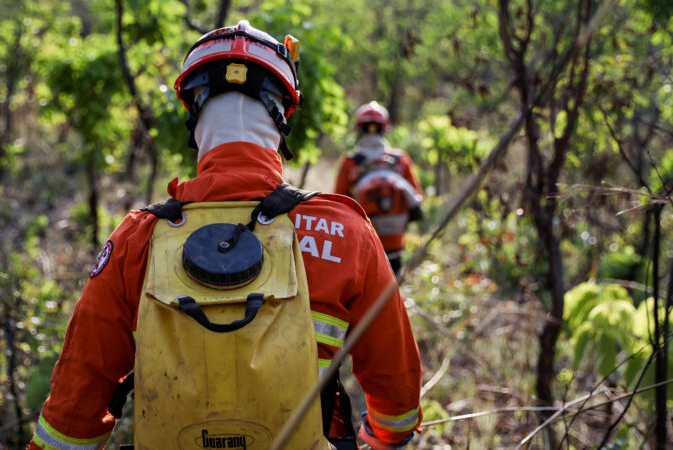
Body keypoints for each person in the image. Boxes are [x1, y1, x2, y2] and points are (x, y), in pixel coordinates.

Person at [28, 21, 421, 450]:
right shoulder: (343, 230)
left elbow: (71, 417)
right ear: (283, 115)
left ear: (193, 111)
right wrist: (379, 438)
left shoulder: (136, 240)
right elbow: (397, 403)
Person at [334, 102, 424, 274]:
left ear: (359, 129)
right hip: (395, 245)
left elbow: (339, 204)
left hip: (363, 244)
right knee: (392, 292)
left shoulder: (350, 163)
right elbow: (417, 197)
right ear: (385, 128)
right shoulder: (400, 160)